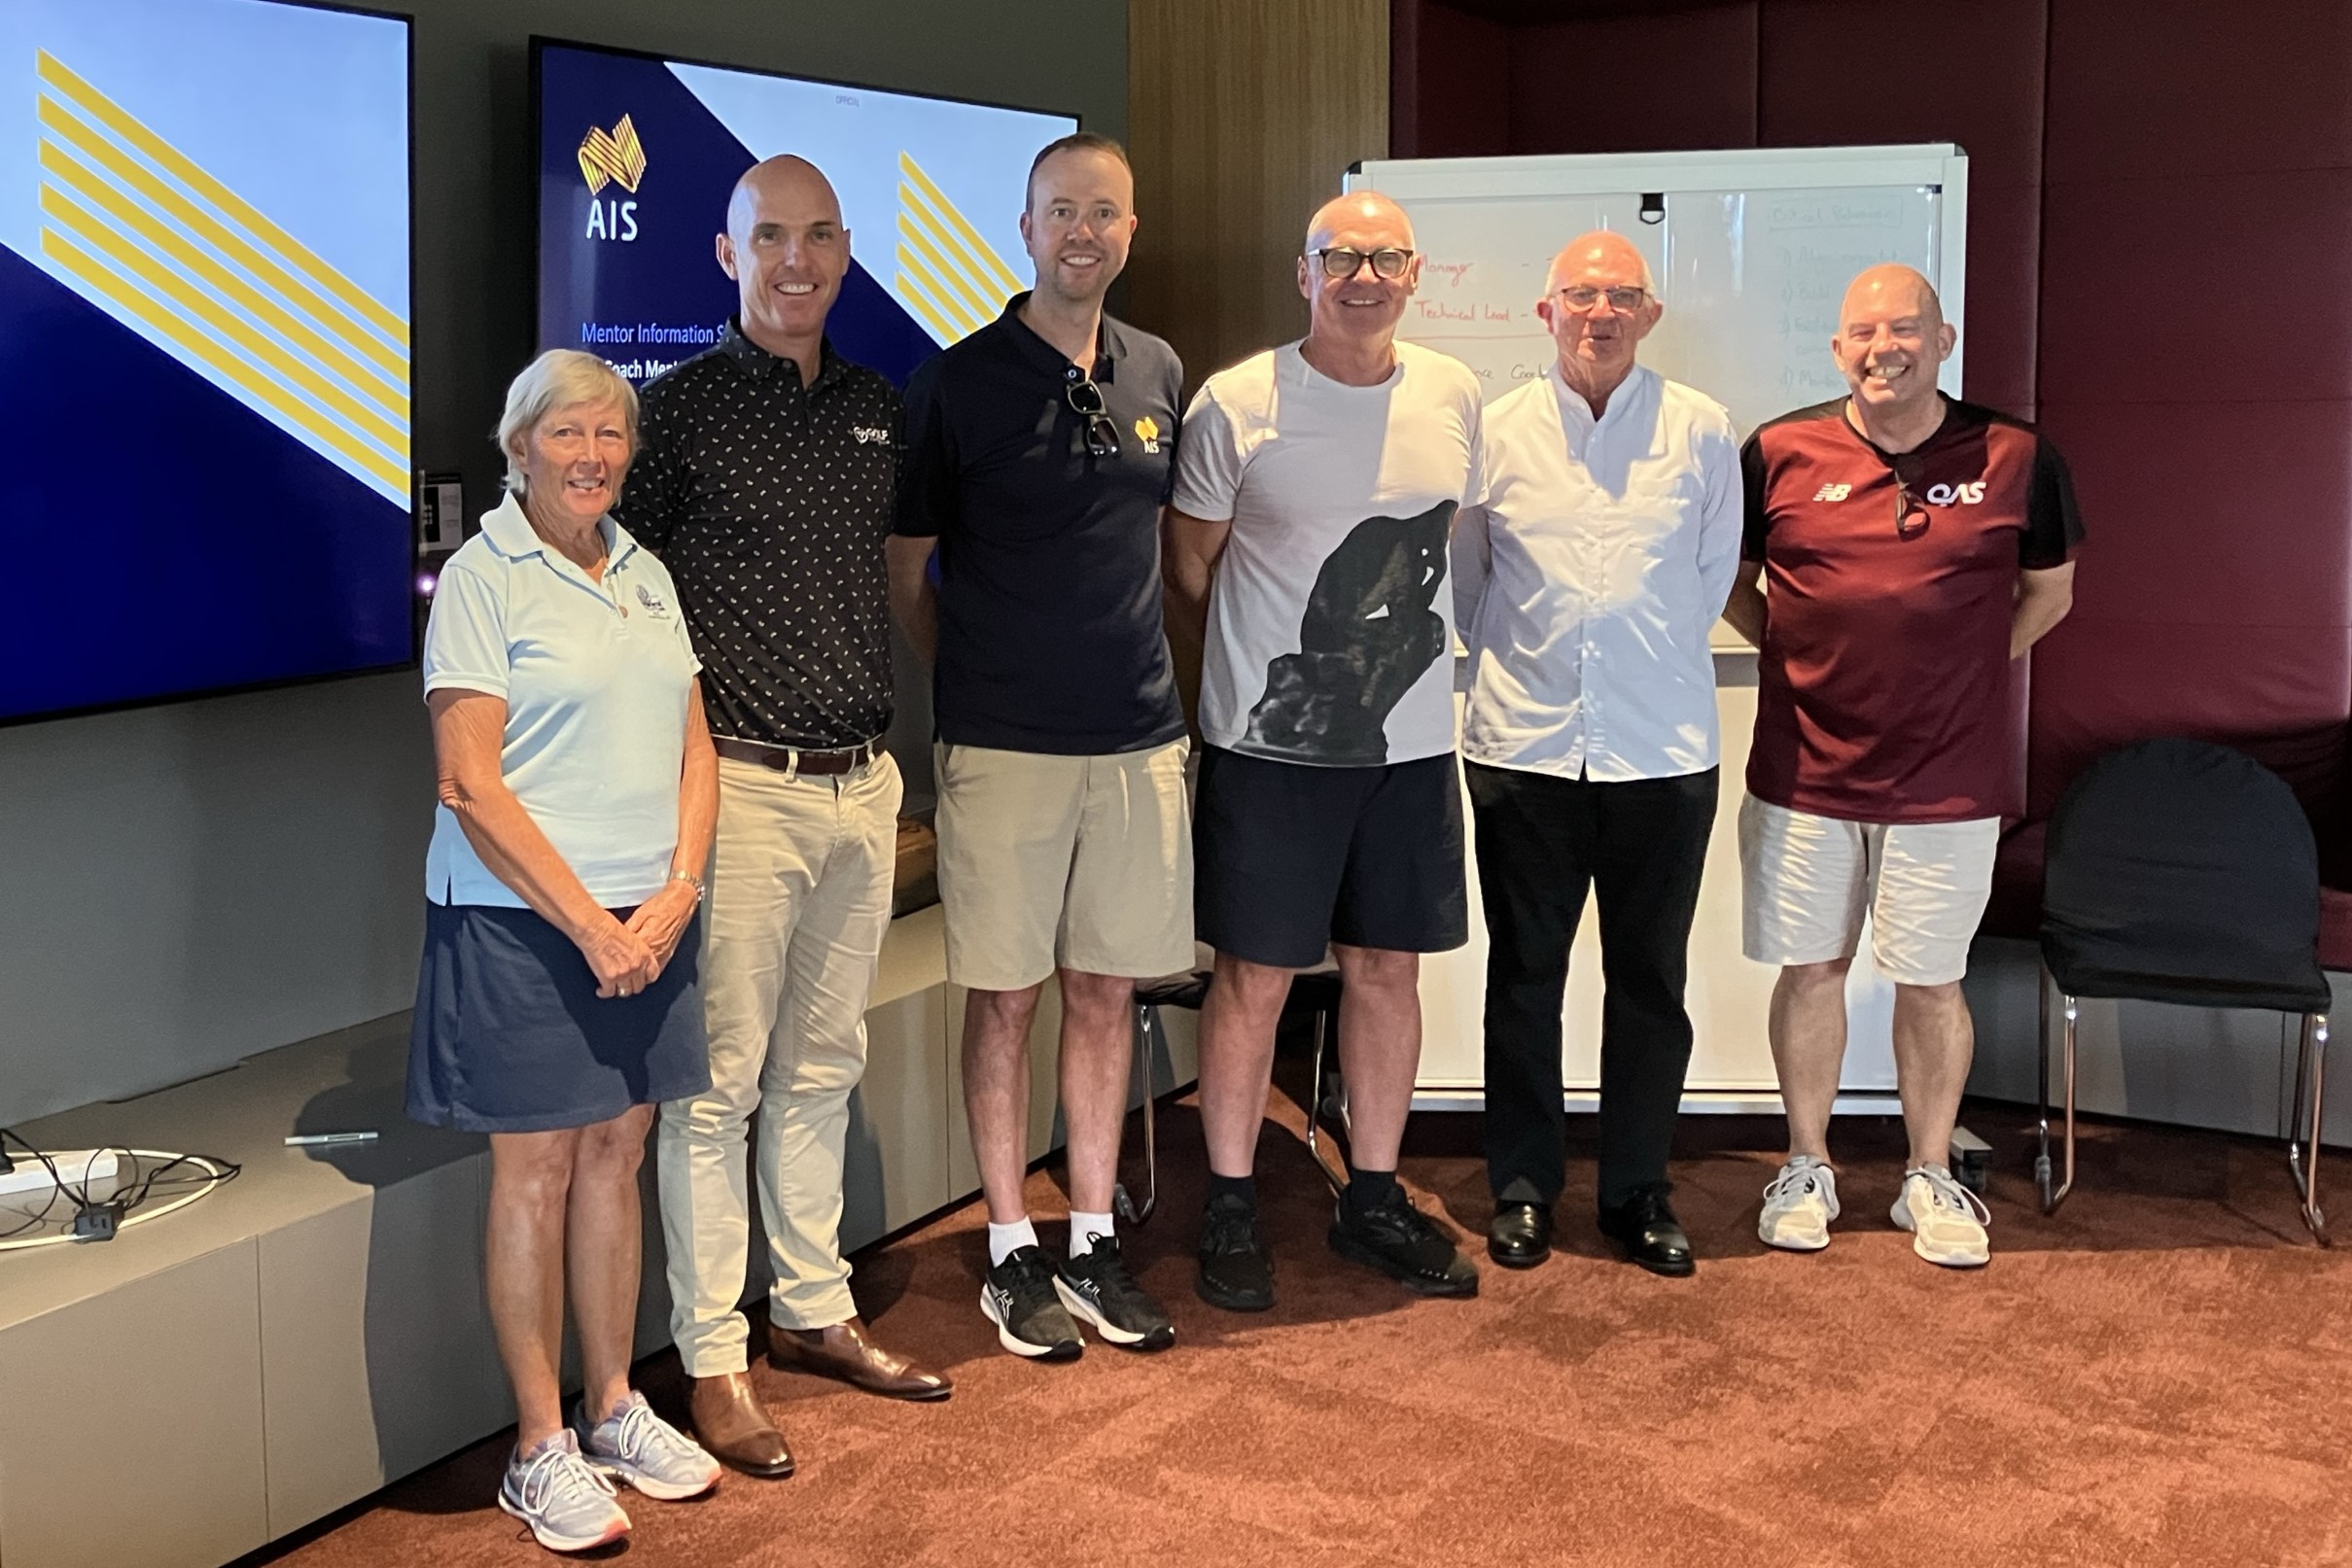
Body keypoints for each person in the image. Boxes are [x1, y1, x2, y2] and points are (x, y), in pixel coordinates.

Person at [619, 156, 948, 1482]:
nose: (795, 261)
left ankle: (811, 1308)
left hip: (863, 784)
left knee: (823, 1069)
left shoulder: (877, 407)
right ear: (724, 254)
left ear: (847, 251)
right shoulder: (672, 416)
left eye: (818, 237)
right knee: (716, 1089)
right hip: (738, 788)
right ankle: (712, 1357)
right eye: (770, 238)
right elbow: (617, 608)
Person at [409, 349, 722, 1552]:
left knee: (618, 1147)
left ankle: (614, 1405)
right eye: (566, 435)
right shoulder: (484, 578)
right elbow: (469, 786)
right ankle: (538, 1444)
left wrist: (677, 892)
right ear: (519, 446)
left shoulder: (644, 567)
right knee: (535, 1170)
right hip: (521, 927)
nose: (591, 455)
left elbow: (696, 746)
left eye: (609, 435)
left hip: (649, 920)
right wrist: (591, 924)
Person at [889, 132, 1191, 1360]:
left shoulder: (1159, 369)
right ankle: (1011, 1243)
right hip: (1004, 744)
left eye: (1103, 213)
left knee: (1107, 988)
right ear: (1024, 229)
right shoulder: (955, 384)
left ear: (1130, 232)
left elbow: (1167, 548)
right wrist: (977, 679)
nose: (1082, 232)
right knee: (1007, 996)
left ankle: (1090, 1236)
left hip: (1136, 738)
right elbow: (910, 575)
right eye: (1060, 211)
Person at [1166, 191, 1486, 1311]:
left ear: (1413, 274)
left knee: (1387, 969)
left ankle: (1377, 1197)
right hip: (1270, 751)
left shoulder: (1452, 394)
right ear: (1303, 273)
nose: (1362, 275)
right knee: (1252, 977)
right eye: (1338, 255)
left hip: (1405, 751)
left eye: (1384, 257)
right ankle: (1233, 1199)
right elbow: (1192, 567)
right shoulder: (1235, 404)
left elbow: (1457, 547)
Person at [1725, 262, 2081, 1269]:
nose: (1885, 346)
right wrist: (1800, 664)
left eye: (1905, 328)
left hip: (1947, 779)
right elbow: (1737, 584)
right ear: (1837, 349)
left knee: (1930, 979)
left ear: (1943, 337)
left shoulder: (2017, 455)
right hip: (1804, 770)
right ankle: (1805, 1162)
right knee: (1812, 969)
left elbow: (2046, 593)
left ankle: (1928, 1171)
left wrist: (1957, 675)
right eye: (1863, 332)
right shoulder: (1778, 451)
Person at [1454, 230, 1742, 1276]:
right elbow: (1471, 579)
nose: (1600, 312)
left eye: (1622, 295)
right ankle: (1523, 1187)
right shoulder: (1491, 430)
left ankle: (1635, 1191)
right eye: (1580, 293)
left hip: (1661, 751)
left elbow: (1708, 583)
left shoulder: (1702, 431)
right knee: (1524, 977)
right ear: (1545, 312)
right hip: (1523, 746)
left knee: (1648, 981)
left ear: (1650, 315)